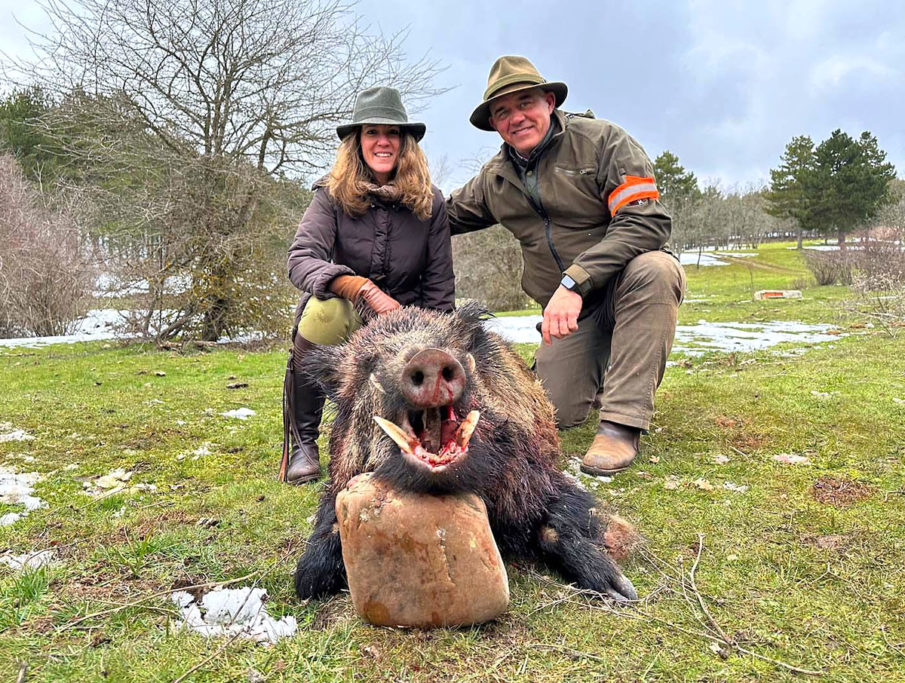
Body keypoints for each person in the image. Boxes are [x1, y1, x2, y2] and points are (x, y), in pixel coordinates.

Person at [447, 56, 685, 476]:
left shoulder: (603, 141)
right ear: (494, 124)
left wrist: (575, 281)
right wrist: (366, 193)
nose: (516, 117)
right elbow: (438, 216)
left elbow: (646, 220)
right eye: (502, 112)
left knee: (656, 270)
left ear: (550, 101)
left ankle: (620, 425)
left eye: (525, 103)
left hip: (623, 286)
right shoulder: (495, 179)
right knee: (552, 412)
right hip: (572, 317)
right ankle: (589, 378)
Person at [280, 86, 455, 484]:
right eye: (372, 132)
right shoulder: (330, 197)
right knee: (321, 312)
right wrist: (360, 288)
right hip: (349, 318)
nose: (382, 141)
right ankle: (303, 442)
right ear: (357, 142)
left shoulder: (432, 203)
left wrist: (436, 341)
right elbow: (301, 259)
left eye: (392, 133)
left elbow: (440, 287)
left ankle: (422, 427)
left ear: (405, 143)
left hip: (407, 325)